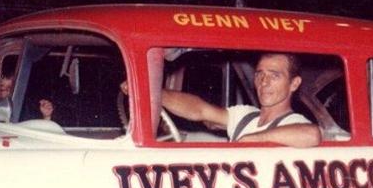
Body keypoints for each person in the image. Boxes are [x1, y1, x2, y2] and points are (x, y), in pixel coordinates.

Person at [124, 52, 321, 147]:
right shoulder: (246, 116)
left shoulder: (295, 123)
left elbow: (312, 135)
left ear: (294, 84)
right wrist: (151, 92)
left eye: (274, 75)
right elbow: (200, 110)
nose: (264, 82)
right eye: (260, 74)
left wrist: (252, 140)